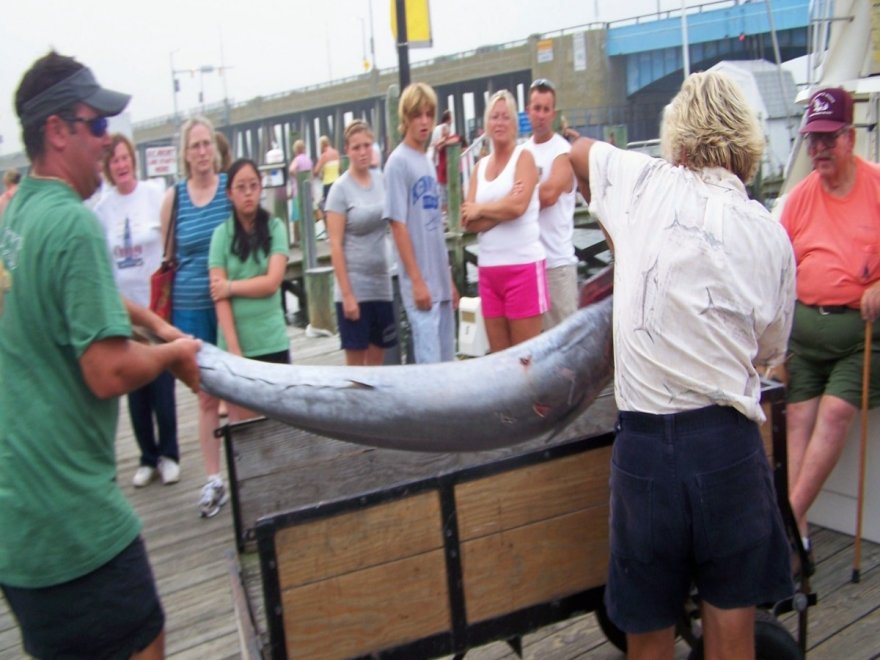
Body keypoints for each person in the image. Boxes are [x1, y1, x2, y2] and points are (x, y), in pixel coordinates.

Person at [569, 70, 796, 658]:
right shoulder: (770, 233)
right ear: (746, 144)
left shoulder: (644, 183)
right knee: (731, 634)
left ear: (680, 140)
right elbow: (770, 348)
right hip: (728, 446)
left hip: (645, 452)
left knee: (647, 639)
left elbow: (577, 152)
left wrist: (623, 245)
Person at [0, 51, 200, 660]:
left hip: (17, 521)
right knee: (147, 643)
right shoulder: (75, 224)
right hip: (73, 521)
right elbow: (108, 371)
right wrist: (175, 355)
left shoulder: (18, 215)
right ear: (56, 132)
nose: (108, 139)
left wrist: (150, 321)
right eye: (95, 126)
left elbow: (75, 293)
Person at [780, 87, 880, 560]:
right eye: (812, 139)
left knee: (835, 412)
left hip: (859, 338)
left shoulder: (877, 187)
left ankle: (783, 524)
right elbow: (778, 269)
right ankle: (795, 524)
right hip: (805, 335)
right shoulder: (799, 199)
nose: (817, 149)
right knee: (796, 415)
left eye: (827, 138)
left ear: (850, 138)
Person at [95, 134, 180, 488]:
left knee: (162, 383)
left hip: (155, 306)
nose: (121, 164)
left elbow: (168, 243)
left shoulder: (152, 193)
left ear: (133, 159)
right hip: (123, 312)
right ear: (108, 168)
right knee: (136, 390)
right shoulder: (102, 208)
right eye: (114, 160)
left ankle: (170, 454)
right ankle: (147, 457)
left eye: (125, 157)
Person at [160, 115, 232, 518]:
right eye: (195, 146)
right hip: (189, 307)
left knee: (239, 393)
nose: (202, 152)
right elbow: (170, 254)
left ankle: (244, 472)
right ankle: (212, 479)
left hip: (226, 305)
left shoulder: (227, 189)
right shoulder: (175, 198)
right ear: (185, 155)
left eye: (207, 144)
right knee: (206, 397)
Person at [461, 90, 547, 352]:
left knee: (525, 359)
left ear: (514, 123)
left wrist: (482, 209)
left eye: (506, 117)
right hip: (489, 271)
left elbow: (518, 206)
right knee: (500, 360)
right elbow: (468, 220)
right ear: (487, 124)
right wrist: (500, 208)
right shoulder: (479, 167)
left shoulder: (524, 158)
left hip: (523, 267)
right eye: (494, 117)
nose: (499, 123)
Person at [209, 158, 291, 420]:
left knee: (280, 425)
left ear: (261, 188)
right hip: (238, 347)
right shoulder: (221, 235)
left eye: (253, 186)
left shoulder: (276, 228)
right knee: (243, 428)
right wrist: (234, 351)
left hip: (272, 339)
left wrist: (230, 287)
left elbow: (272, 282)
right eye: (241, 187)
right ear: (229, 193)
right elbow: (217, 296)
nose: (248, 193)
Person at [384, 82, 459, 363]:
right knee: (430, 367)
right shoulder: (398, 163)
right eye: (417, 115)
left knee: (447, 364)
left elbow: (435, 229)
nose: (425, 121)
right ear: (406, 118)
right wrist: (416, 280)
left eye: (429, 114)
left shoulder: (426, 161)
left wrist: (448, 279)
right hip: (421, 286)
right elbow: (397, 225)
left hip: (439, 283)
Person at [326, 120, 397, 366]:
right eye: (356, 147)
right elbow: (334, 245)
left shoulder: (382, 180)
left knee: (377, 369)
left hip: (381, 286)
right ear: (347, 150)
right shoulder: (340, 190)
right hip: (355, 290)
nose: (363, 152)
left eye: (367, 145)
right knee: (357, 373)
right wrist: (347, 295)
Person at [523, 78, 578, 330]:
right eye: (537, 108)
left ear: (553, 114)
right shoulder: (521, 153)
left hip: (557, 266)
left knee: (565, 349)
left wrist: (513, 200)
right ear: (528, 111)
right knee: (532, 349)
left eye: (546, 109)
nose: (541, 115)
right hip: (527, 265)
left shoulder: (563, 152)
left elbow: (548, 196)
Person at [288, 138, 313, 245]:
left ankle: (296, 240)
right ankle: (308, 237)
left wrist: (297, 177)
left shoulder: (297, 159)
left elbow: (291, 170)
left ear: (296, 150)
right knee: (307, 215)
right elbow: (311, 176)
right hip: (307, 191)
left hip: (297, 191)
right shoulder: (308, 160)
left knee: (296, 217)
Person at [313, 134, 340, 207]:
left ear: (322, 145)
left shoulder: (324, 156)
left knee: (328, 206)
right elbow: (340, 169)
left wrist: (321, 175)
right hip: (337, 182)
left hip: (328, 184)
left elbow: (316, 171)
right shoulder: (336, 153)